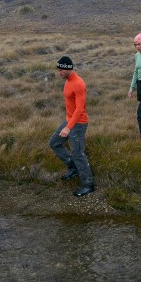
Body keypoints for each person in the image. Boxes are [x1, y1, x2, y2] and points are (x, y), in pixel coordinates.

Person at [48, 56, 95, 196]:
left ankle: (89, 185)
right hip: (69, 120)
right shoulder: (67, 81)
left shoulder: (78, 83)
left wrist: (69, 127)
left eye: (61, 70)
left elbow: (80, 110)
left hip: (79, 123)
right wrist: (67, 124)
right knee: (54, 143)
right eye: (58, 70)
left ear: (68, 68)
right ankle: (72, 166)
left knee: (78, 153)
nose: (59, 73)